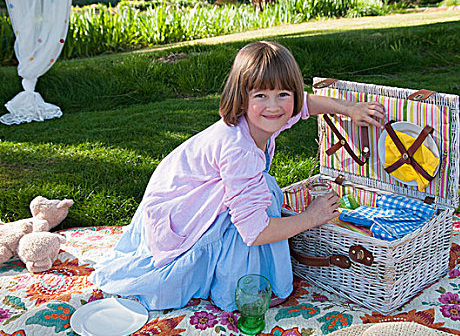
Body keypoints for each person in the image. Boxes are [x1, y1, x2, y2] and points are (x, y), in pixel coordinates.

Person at [89, 41, 384, 312]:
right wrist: (311, 217)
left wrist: (348, 109)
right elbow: (255, 233)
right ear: (241, 99)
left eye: (283, 94)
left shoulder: (260, 120)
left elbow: (306, 103)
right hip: (177, 214)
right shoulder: (239, 151)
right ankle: (230, 282)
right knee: (264, 198)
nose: (274, 106)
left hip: (185, 195)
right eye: (261, 96)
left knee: (262, 189)